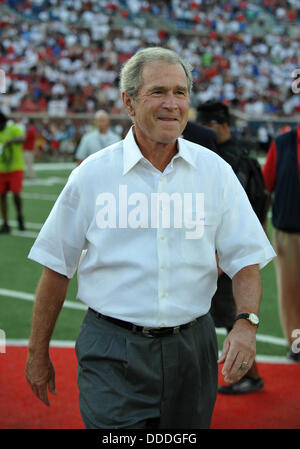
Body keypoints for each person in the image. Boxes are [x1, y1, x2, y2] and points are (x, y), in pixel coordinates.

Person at [25, 47, 275, 429]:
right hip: (111, 347)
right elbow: (57, 269)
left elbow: (246, 260)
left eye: (180, 92)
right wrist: (37, 352)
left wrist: (245, 324)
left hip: (194, 348)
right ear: (128, 101)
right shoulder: (91, 175)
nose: (172, 104)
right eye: (158, 92)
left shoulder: (215, 172)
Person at [196, 100, 266, 394]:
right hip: (204, 248)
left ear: (222, 125)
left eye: (206, 126)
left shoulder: (237, 160)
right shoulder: (203, 154)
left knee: (229, 316)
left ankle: (247, 374)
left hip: (227, 251)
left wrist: (232, 255)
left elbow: (257, 208)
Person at [262, 124, 300, 362]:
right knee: (291, 291)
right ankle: (296, 343)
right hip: (288, 231)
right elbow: (265, 185)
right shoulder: (282, 143)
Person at [0, 112, 26, 234]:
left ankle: (20, 216)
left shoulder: (13, 128)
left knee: (16, 193)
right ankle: (5, 223)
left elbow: (23, 138)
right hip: (1, 169)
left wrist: (12, 140)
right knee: (2, 196)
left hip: (15, 168)